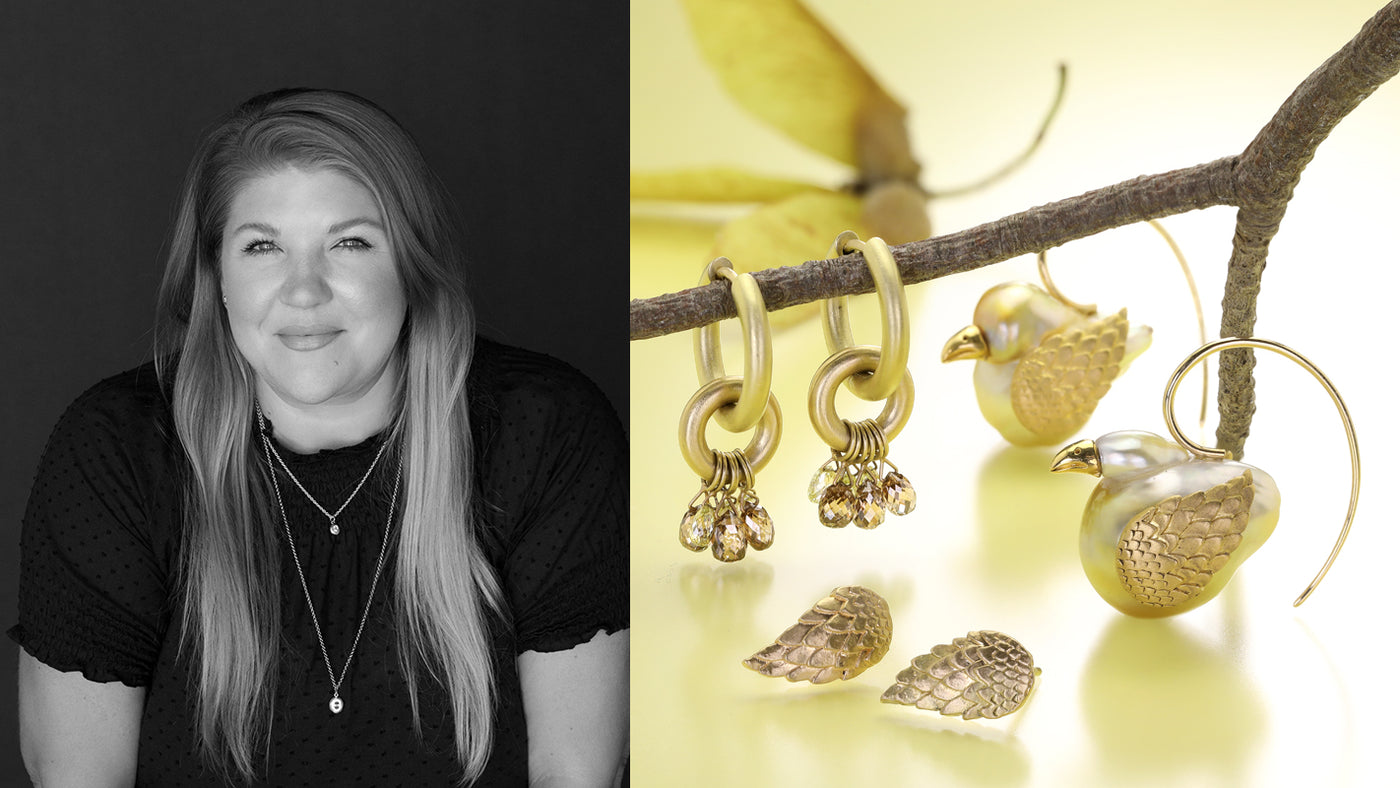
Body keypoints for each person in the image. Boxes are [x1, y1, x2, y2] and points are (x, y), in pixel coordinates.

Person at [11, 88, 629, 786]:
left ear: (412, 265)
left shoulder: (543, 431)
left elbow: (576, 773)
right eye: (264, 246)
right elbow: (79, 775)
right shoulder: (117, 450)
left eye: (350, 242)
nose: (304, 291)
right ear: (217, 277)